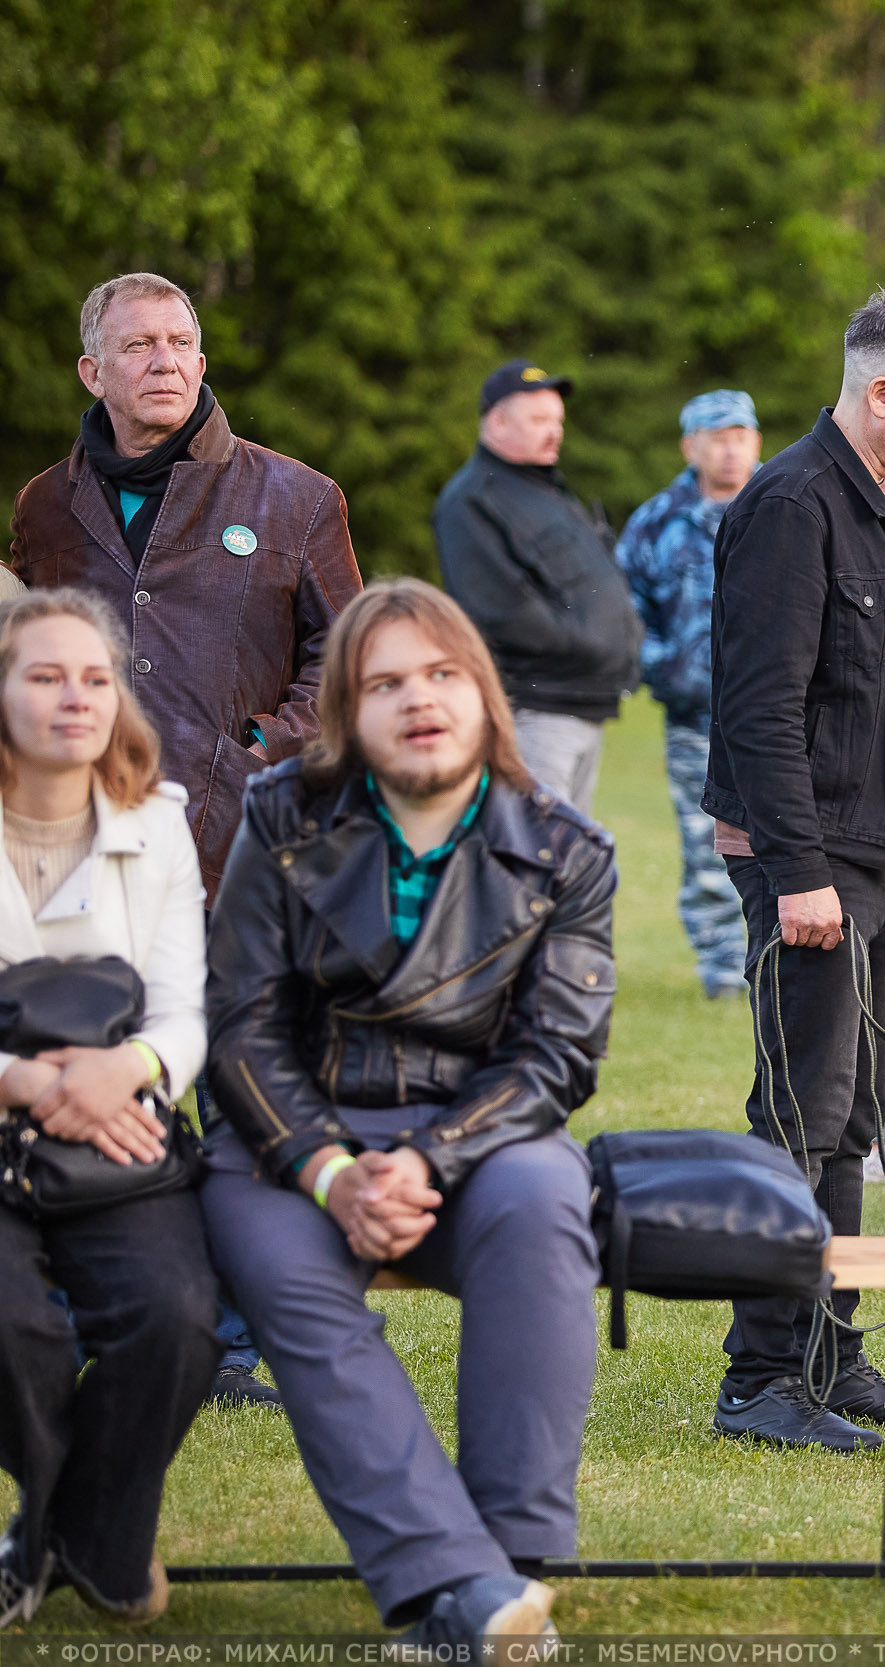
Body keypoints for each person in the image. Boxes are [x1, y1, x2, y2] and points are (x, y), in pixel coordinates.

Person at [197, 579, 615, 1648]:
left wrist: (427, 1158)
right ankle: (465, 1588)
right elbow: (240, 1027)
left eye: (440, 674)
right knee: (287, 1275)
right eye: (384, 682)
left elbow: (556, 1053)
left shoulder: (567, 847)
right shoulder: (280, 813)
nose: (417, 699)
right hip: (289, 1136)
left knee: (541, 1204)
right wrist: (333, 1169)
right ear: (347, 708)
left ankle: (507, 1557)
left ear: (482, 692)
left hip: (481, 1135)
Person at [12, 269, 366, 1410]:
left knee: (240, 1079)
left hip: (245, 839)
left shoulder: (300, 496)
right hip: (78, 843)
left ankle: (238, 1330)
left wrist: (258, 750)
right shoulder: (42, 510)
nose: (164, 360)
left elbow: (348, 665)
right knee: (98, 1070)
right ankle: (86, 1305)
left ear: (203, 363)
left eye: (181, 342)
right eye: (138, 344)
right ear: (92, 370)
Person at [705, 292, 885, 1450]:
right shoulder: (790, 504)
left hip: (882, 857)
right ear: (880, 393)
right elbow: (759, 706)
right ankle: (762, 1378)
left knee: (852, 1115)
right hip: (811, 865)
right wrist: (798, 867)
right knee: (798, 1115)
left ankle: (830, 1349)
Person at [0, 590, 218, 1626]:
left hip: (120, 1123)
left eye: (93, 677)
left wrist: (122, 1068)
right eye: (43, 675)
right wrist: (36, 1081)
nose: (73, 697)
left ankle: (55, 1537)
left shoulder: (156, 824)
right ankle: (74, 1535)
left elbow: (185, 1009)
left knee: (175, 1319)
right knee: (14, 1329)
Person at [433, 358, 643, 812]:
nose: (555, 431)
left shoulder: (546, 490)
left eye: (557, 420)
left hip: (581, 704)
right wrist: (590, 645)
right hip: (536, 710)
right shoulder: (471, 501)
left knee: (569, 856)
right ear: (497, 422)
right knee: (539, 857)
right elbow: (500, 610)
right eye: (539, 420)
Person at [615, 388, 763, 1000]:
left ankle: (775, 960)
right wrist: (665, 668)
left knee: (779, 835)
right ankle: (724, 972)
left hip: (774, 712)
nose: (731, 449)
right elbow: (626, 613)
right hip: (693, 716)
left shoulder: (784, 503)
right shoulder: (657, 521)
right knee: (707, 842)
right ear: (690, 446)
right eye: (717, 437)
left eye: (741, 435)